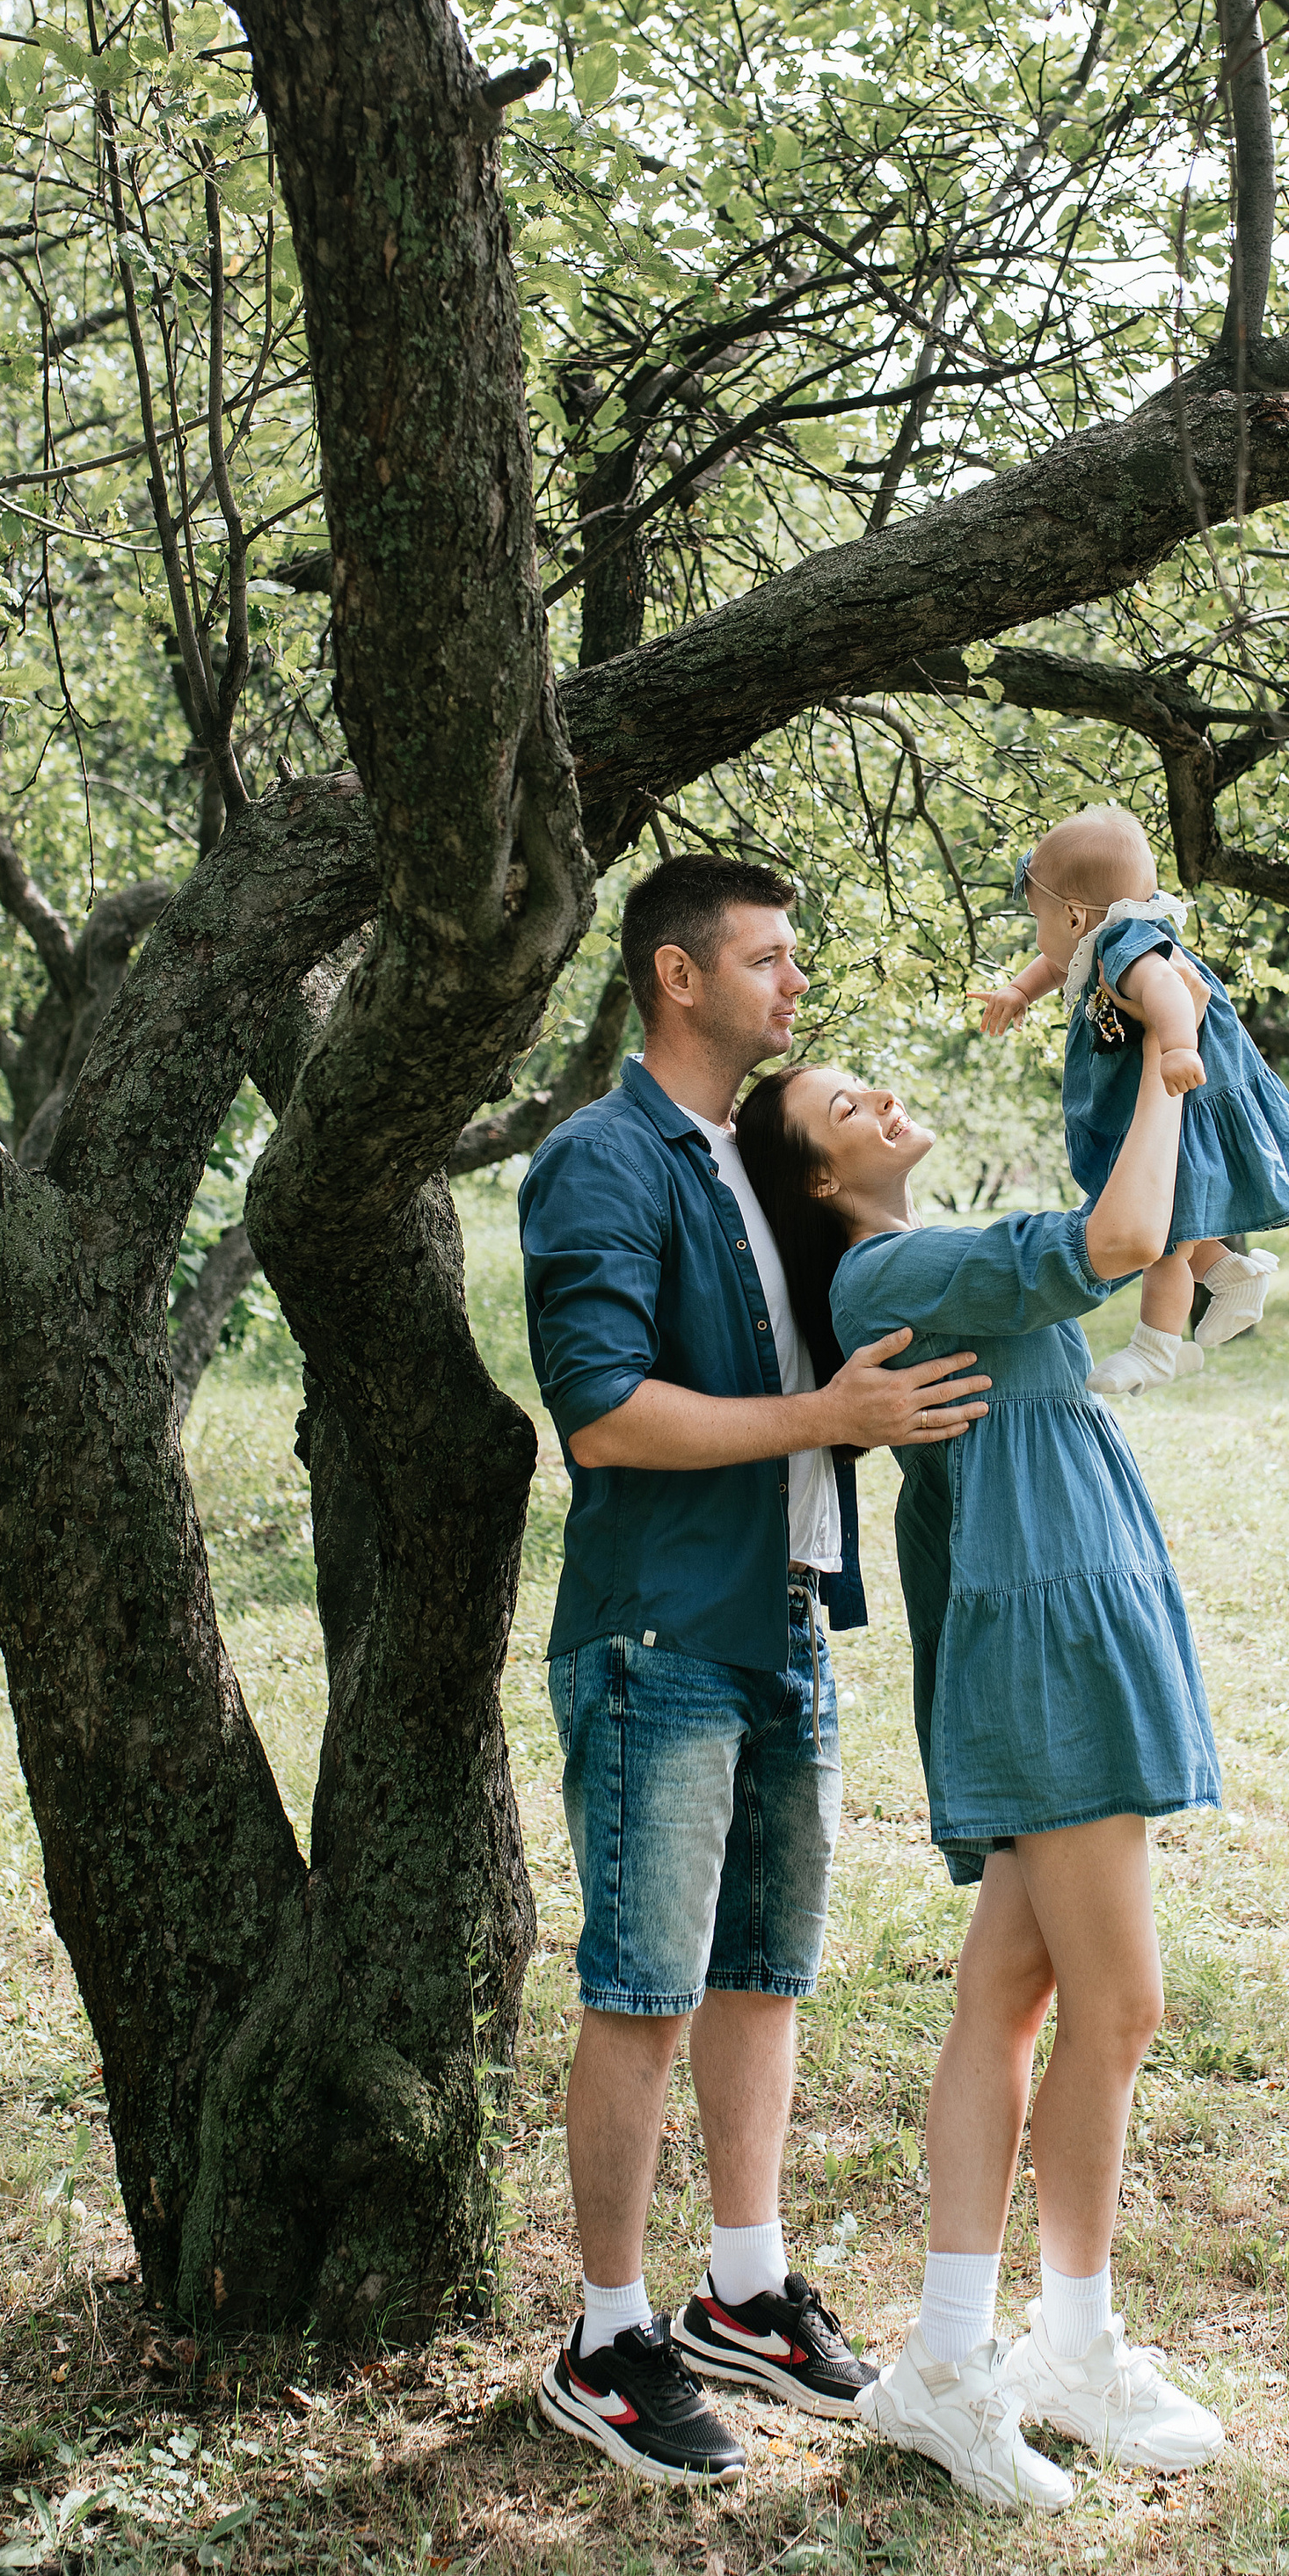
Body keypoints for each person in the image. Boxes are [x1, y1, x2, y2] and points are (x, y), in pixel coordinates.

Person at [519, 855, 997, 2487]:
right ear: (677, 975)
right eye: (769, 960)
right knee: (643, 1991)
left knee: (761, 1977)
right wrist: (823, 1422)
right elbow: (600, 1412)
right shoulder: (601, 1159)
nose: (796, 985)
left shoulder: (752, 1159)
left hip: (788, 1618)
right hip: (662, 1630)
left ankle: (741, 2292)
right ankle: (604, 2336)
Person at [734, 1037, 1227, 2511]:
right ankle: (1052, 2349)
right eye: (844, 1108)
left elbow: (1144, 1260)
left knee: (1011, 1999)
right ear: (821, 1181)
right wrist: (1169, 1058)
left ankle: (954, 2366)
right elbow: (1121, 1236)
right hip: (1047, 1636)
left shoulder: (923, 1263)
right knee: (1119, 2003)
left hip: (1068, 1607)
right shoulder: (887, 1277)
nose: (882, 1098)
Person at [976, 804, 1289, 1394]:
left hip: (1183, 1095)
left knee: (1163, 1235)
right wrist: (1019, 991)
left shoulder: (1126, 947)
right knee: (1175, 1217)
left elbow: (1166, 985)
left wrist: (1174, 1047)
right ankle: (1232, 1274)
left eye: (1037, 920)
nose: (1038, 937)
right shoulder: (1103, 937)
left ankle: (1158, 1347)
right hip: (1167, 1097)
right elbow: (1054, 960)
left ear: (1072, 916)